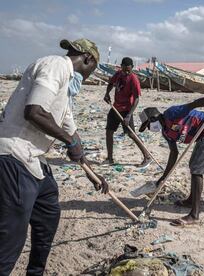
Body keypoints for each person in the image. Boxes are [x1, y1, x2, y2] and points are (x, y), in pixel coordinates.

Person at [0, 39, 109, 275]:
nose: (90, 76)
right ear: (88, 60)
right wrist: (68, 141)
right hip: (14, 155)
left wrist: (91, 171)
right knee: (10, 239)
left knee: (48, 217)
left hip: (35, 160)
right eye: (93, 70)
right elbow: (35, 112)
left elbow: (71, 131)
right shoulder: (57, 66)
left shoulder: (65, 90)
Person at [138, 90, 204, 226]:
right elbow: (173, 153)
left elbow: (195, 104)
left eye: (148, 126)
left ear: (153, 119)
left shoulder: (172, 113)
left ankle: (194, 215)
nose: (149, 129)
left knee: (197, 170)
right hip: (201, 136)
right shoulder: (167, 133)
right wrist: (163, 177)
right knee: (193, 166)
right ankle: (190, 200)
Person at [103, 57, 151, 167]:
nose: (126, 72)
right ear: (121, 66)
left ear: (132, 68)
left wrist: (129, 116)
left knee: (131, 134)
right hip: (115, 108)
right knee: (109, 132)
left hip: (126, 110)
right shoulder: (119, 74)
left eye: (128, 70)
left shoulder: (133, 79)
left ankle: (147, 157)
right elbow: (111, 83)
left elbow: (136, 99)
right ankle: (110, 158)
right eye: (125, 69)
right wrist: (107, 94)